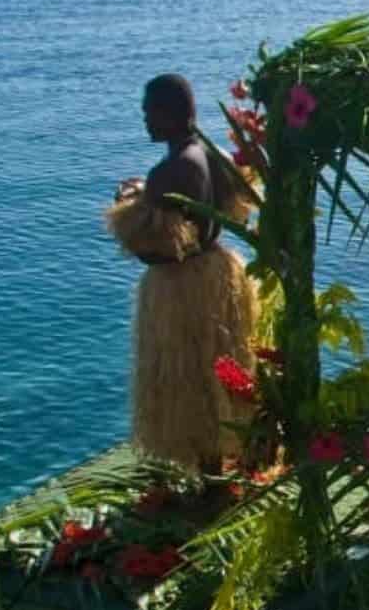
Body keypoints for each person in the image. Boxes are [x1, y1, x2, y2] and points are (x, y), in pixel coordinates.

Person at [106, 73, 259, 476]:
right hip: (218, 274)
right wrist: (148, 196)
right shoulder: (210, 155)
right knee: (215, 372)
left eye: (149, 112)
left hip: (183, 286)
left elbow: (156, 253)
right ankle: (220, 465)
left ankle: (210, 478)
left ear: (170, 113)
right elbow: (205, 210)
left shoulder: (169, 170)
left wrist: (127, 203)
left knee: (190, 380)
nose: (144, 121)